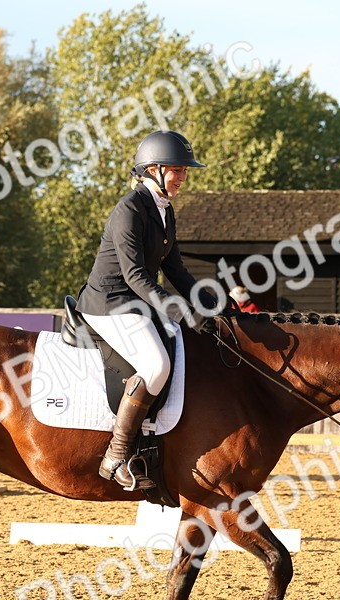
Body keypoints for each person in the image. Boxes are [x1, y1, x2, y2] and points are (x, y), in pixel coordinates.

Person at [75, 130, 214, 489]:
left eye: (185, 171)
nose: (183, 177)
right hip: (109, 303)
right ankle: (116, 454)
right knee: (157, 365)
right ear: (153, 170)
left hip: (135, 303)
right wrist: (179, 311)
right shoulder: (130, 210)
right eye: (177, 170)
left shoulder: (164, 211)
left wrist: (211, 301)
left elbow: (176, 269)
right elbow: (135, 274)